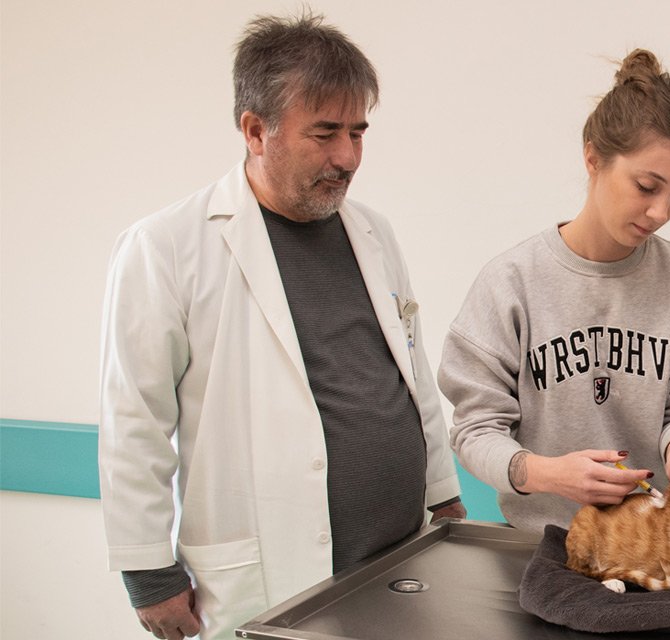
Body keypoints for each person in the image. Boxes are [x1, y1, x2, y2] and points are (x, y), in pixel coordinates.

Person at [98, 12, 465, 640]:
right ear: (254, 130)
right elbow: (134, 419)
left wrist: (442, 493)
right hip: (276, 572)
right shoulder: (166, 248)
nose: (347, 157)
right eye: (324, 134)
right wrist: (147, 573)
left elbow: (409, 377)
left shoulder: (374, 234)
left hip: (398, 559)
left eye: (357, 132)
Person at [438, 49, 670, 532]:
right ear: (593, 157)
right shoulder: (511, 282)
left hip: (648, 547)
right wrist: (549, 474)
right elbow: (475, 431)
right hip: (541, 546)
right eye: (646, 186)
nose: (661, 212)